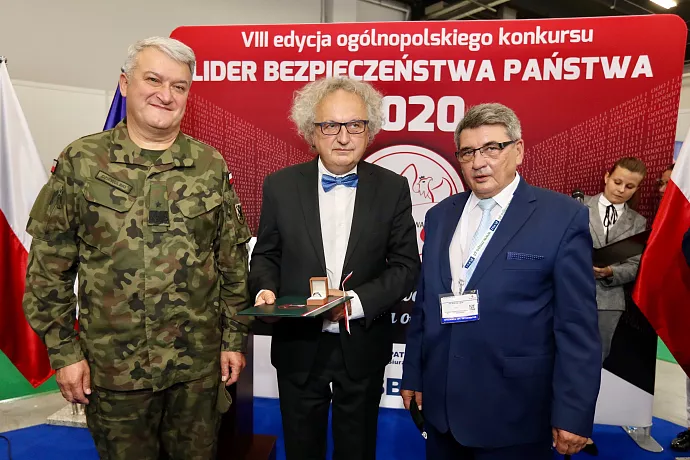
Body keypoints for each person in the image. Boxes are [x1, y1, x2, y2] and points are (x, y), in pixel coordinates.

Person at [22, 37, 251, 459]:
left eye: (179, 86)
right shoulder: (82, 161)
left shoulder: (209, 164)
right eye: (154, 80)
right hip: (114, 371)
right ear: (125, 84)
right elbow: (48, 269)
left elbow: (232, 263)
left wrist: (233, 339)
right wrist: (64, 352)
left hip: (195, 371)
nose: (166, 95)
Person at [401, 103, 601, 459]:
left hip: (515, 411)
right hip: (442, 407)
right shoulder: (440, 216)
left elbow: (577, 326)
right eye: (467, 152)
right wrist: (414, 374)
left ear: (518, 150)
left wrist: (573, 412)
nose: (479, 162)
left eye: (492, 148)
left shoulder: (562, 217)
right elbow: (425, 306)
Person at [248, 76, 420, 460]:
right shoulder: (280, 186)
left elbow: (407, 266)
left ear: (369, 130)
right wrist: (264, 288)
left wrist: (354, 303)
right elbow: (266, 255)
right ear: (311, 131)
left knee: (357, 451)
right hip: (298, 346)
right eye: (330, 125)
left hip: (362, 345)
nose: (343, 137)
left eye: (354, 125)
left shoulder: (393, 188)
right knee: (301, 450)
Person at [586, 157, 647, 363]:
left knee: (597, 358)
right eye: (617, 182)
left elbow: (635, 266)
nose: (621, 190)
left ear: (637, 188)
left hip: (609, 302)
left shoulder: (638, 222)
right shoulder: (578, 205)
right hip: (570, 293)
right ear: (607, 177)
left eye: (629, 186)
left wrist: (611, 272)